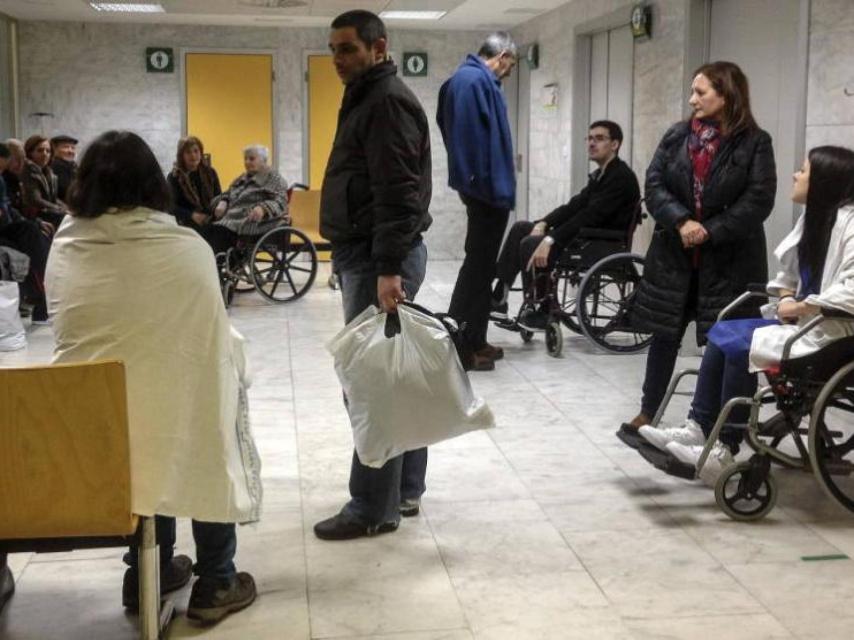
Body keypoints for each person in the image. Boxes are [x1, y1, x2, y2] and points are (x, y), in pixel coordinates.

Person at [46, 130, 260, 624]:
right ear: (152, 183)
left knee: (141, 414)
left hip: (87, 425)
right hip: (168, 414)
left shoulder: (65, 243)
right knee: (204, 409)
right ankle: (216, 580)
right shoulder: (186, 250)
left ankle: (147, 571)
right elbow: (210, 342)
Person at [638, 146, 854, 485]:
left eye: (804, 170)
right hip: (802, 325)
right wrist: (786, 297)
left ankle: (724, 448)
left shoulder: (850, 226)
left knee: (743, 344)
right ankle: (698, 428)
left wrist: (798, 306)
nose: (796, 175)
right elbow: (788, 279)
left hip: (832, 335)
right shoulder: (813, 221)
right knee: (723, 331)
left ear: (825, 181)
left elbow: (851, 292)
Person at [313, 10, 432, 541]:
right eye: (334, 50)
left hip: (380, 261)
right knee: (393, 377)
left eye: (348, 50)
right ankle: (403, 488)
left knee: (371, 387)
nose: (338, 60)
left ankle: (371, 507)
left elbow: (399, 194)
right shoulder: (367, 94)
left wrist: (386, 269)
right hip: (367, 256)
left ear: (378, 47)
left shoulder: (385, 101)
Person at [618, 61, 777, 442]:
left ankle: (714, 426)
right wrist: (682, 221)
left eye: (701, 92)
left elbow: (759, 200)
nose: (692, 100)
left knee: (724, 343)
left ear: (726, 95)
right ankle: (648, 411)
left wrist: (709, 231)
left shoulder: (755, 142)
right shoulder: (676, 136)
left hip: (729, 263)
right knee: (664, 337)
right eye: (692, 92)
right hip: (675, 259)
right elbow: (654, 185)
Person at [491, 120, 640, 329]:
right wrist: (544, 222)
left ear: (614, 144)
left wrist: (551, 238)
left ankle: (541, 311)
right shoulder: (601, 175)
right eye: (589, 138)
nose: (591, 143)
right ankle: (500, 296)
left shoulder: (621, 177)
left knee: (530, 243)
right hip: (588, 236)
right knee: (521, 228)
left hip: (603, 242)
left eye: (599, 138)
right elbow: (573, 207)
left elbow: (590, 216)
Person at [438, 32, 517, 371]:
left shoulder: (476, 80)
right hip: (485, 192)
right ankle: (458, 346)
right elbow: (467, 139)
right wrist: (476, 184)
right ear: (501, 57)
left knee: (483, 268)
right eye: (509, 66)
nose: (508, 74)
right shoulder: (471, 81)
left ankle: (477, 338)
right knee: (475, 268)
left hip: (488, 190)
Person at [202, 144, 287, 257]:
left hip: (251, 222)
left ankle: (216, 264)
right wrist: (223, 201)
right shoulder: (242, 178)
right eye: (245, 159)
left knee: (216, 233)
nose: (247, 162)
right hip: (230, 219)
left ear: (264, 160)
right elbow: (228, 192)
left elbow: (280, 200)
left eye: (251, 159)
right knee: (203, 231)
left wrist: (263, 208)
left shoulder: (273, 177)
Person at [0, 142, 51, 323]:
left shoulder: (8, 180)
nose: (20, 163)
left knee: (35, 234)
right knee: (29, 239)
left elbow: (12, 209)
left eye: (22, 158)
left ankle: (42, 301)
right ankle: (40, 302)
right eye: (15, 158)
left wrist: (36, 222)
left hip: (6, 226)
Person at [167, 135, 222, 231]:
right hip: (186, 225)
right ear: (181, 155)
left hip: (211, 221)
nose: (193, 155)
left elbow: (219, 196)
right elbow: (170, 206)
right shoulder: (174, 176)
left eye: (196, 151)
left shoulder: (210, 172)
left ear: (201, 152)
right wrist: (192, 215)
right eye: (188, 152)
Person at [22, 134, 69, 229]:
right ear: (30, 152)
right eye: (40, 150)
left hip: (48, 210)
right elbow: (36, 200)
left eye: (48, 151)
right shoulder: (28, 171)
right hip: (35, 214)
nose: (45, 154)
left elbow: (53, 198)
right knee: (67, 219)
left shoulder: (48, 172)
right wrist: (60, 209)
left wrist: (66, 208)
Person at [50, 134, 78, 202]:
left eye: (73, 148)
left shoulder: (73, 166)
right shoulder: (55, 166)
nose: (70, 151)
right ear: (54, 149)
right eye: (65, 147)